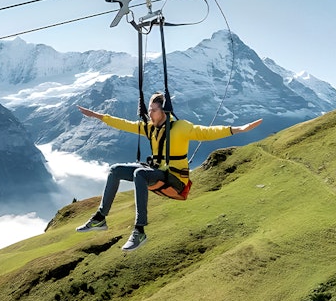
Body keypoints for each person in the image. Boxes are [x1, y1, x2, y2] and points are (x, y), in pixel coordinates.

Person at [75, 93, 262, 251]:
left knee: (139, 174)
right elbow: (124, 124)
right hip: (157, 172)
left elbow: (206, 132)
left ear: (163, 111)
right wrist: (97, 116)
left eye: (153, 110)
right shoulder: (151, 129)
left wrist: (237, 129)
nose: (149, 113)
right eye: (149, 109)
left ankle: (139, 231)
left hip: (175, 178)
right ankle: (100, 218)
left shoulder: (181, 128)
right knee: (115, 170)